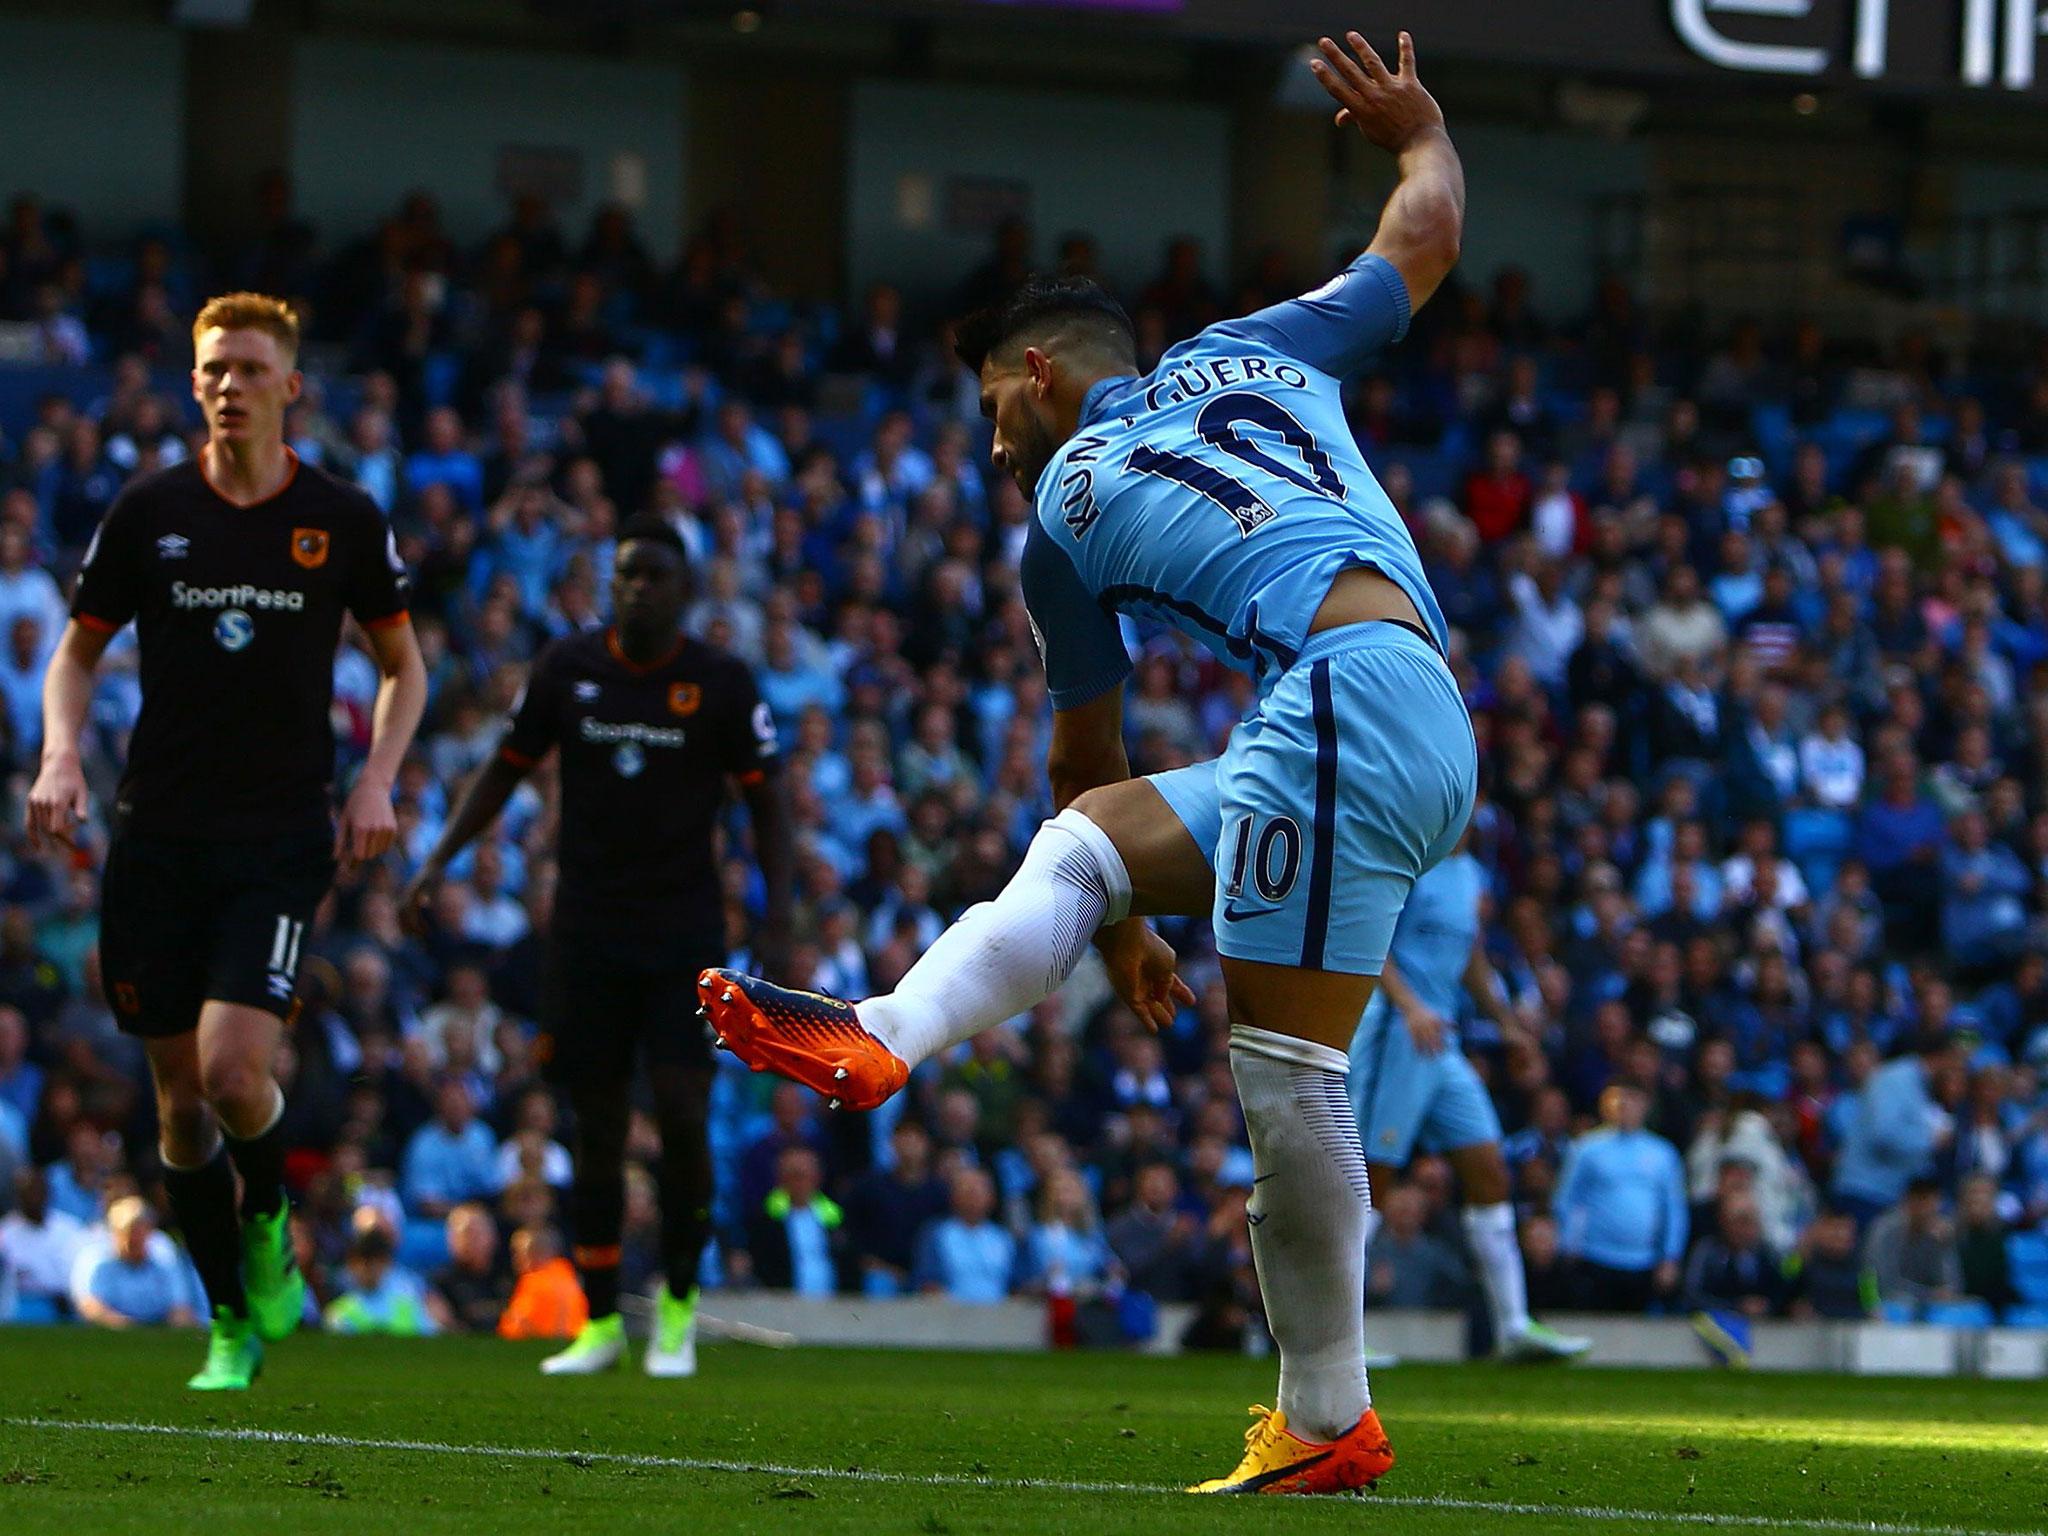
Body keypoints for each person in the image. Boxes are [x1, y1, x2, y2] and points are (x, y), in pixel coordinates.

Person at [701, 28, 1468, 1496]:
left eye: (992, 407)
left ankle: (1328, 1423)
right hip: (1413, 703)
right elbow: (1421, 231)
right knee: (1097, 844)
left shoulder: (1061, 508)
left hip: (1334, 707)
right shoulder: (1262, 346)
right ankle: (883, 1026)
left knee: (1287, 1070)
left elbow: (1081, 746)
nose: (993, 445)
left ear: (1039, 378)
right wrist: (1419, 127)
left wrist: (1124, 947)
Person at [26, 293, 426, 1390]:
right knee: (176, 1106)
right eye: (213, 370)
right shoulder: (150, 510)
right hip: (157, 834)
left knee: (233, 1066)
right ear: (193, 384)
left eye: (252, 368)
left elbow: (405, 667)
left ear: (291, 386)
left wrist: (378, 780)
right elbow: (73, 656)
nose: (230, 385)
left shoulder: (340, 516)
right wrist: (61, 753)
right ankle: (229, 1320)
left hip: (281, 836)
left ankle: (273, 1216)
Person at [404, 515, 790, 1379]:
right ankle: (601, 1319)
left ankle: (680, 1308)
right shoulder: (567, 669)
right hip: (586, 931)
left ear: (684, 592)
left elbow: (770, 804)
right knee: (597, 1125)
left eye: (654, 576)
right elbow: (504, 767)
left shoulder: (719, 682)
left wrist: (780, 921)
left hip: (684, 932)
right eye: (625, 576)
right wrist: (436, 858)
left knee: (686, 1117)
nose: (637, 589)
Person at [1349, 829, 1589, 1360]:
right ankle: (1338, 1339)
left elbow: (1469, 954)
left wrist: (1506, 1022)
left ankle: (1514, 1327)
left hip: (1446, 1041)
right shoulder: (1411, 863)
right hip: (1401, 1035)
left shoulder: (1468, 873)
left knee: (1489, 1171)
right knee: (1373, 1184)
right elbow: (1371, 943)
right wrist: (1410, 1007)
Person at [1553, 1083, 1688, 1313]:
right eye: (1622, 1100)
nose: (1627, 1106)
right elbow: (1567, 1198)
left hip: (1644, 1262)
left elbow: (1674, 1209)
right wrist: (1567, 1243)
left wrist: (1670, 1257)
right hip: (1594, 1257)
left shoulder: (1663, 1153)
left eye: (1634, 1100)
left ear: (1645, 1105)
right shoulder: (1587, 1148)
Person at [70, 1196, 200, 1329]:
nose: (133, 1238)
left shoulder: (165, 1265)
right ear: (114, 1233)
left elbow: (181, 1308)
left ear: (149, 1232)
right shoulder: (99, 1265)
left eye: (139, 1231)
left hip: (157, 1334)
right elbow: (91, 1307)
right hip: (112, 1335)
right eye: (127, 1232)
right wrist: (129, 1328)